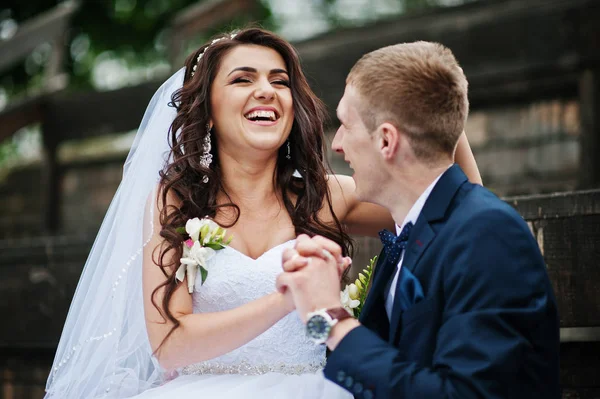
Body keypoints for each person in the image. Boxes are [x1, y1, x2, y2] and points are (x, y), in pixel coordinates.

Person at [44, 30, 482, 398]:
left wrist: (440, 115)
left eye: (280, 80)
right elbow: (170, 345)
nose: (267, 90)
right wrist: (289, 299)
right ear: (209, 111)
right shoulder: (175, 200)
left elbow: (455, 209)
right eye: (242, 79)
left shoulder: (327, 196)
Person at [278, 41, 560, 398]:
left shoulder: (488, 235)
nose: (337, 145)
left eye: (346, 125)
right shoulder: (412, 230)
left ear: (386, 141)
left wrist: (331, 317)